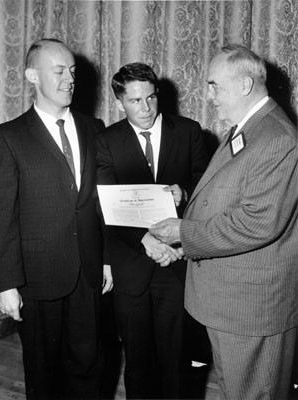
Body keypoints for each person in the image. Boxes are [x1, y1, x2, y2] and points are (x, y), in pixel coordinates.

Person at [149, 44, 298, 400]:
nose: (209, 95)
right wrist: (183, 236)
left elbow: (257, 223)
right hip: (231, 303)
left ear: (245, 85)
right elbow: (227, 196)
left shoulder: (276, 139)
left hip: (251, 310)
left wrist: (183, 232)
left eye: (215, 85)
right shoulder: (247, 129)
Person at [0, 38, 113, 400]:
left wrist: (105, 259)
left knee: (90, 365)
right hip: (36, 277)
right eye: (58, 71)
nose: (69, 79)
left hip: (87, 273)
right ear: (32, 76)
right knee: (43, 373)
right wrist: (7, 284)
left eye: (73, 71)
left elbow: (100, 202)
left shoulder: (94, 128)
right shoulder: (7, 137)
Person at [96, 62, 209, 399]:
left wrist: (185, 193)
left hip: (176, 263)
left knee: (176, 359)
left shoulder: (189, 131)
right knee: (138, 361)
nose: (145, 108)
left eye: (151, 98)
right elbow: (104, 204)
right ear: (119, 103)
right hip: (132, 265)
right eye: (135, 101)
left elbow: (209, 185)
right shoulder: (106, 140)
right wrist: (144, 241)